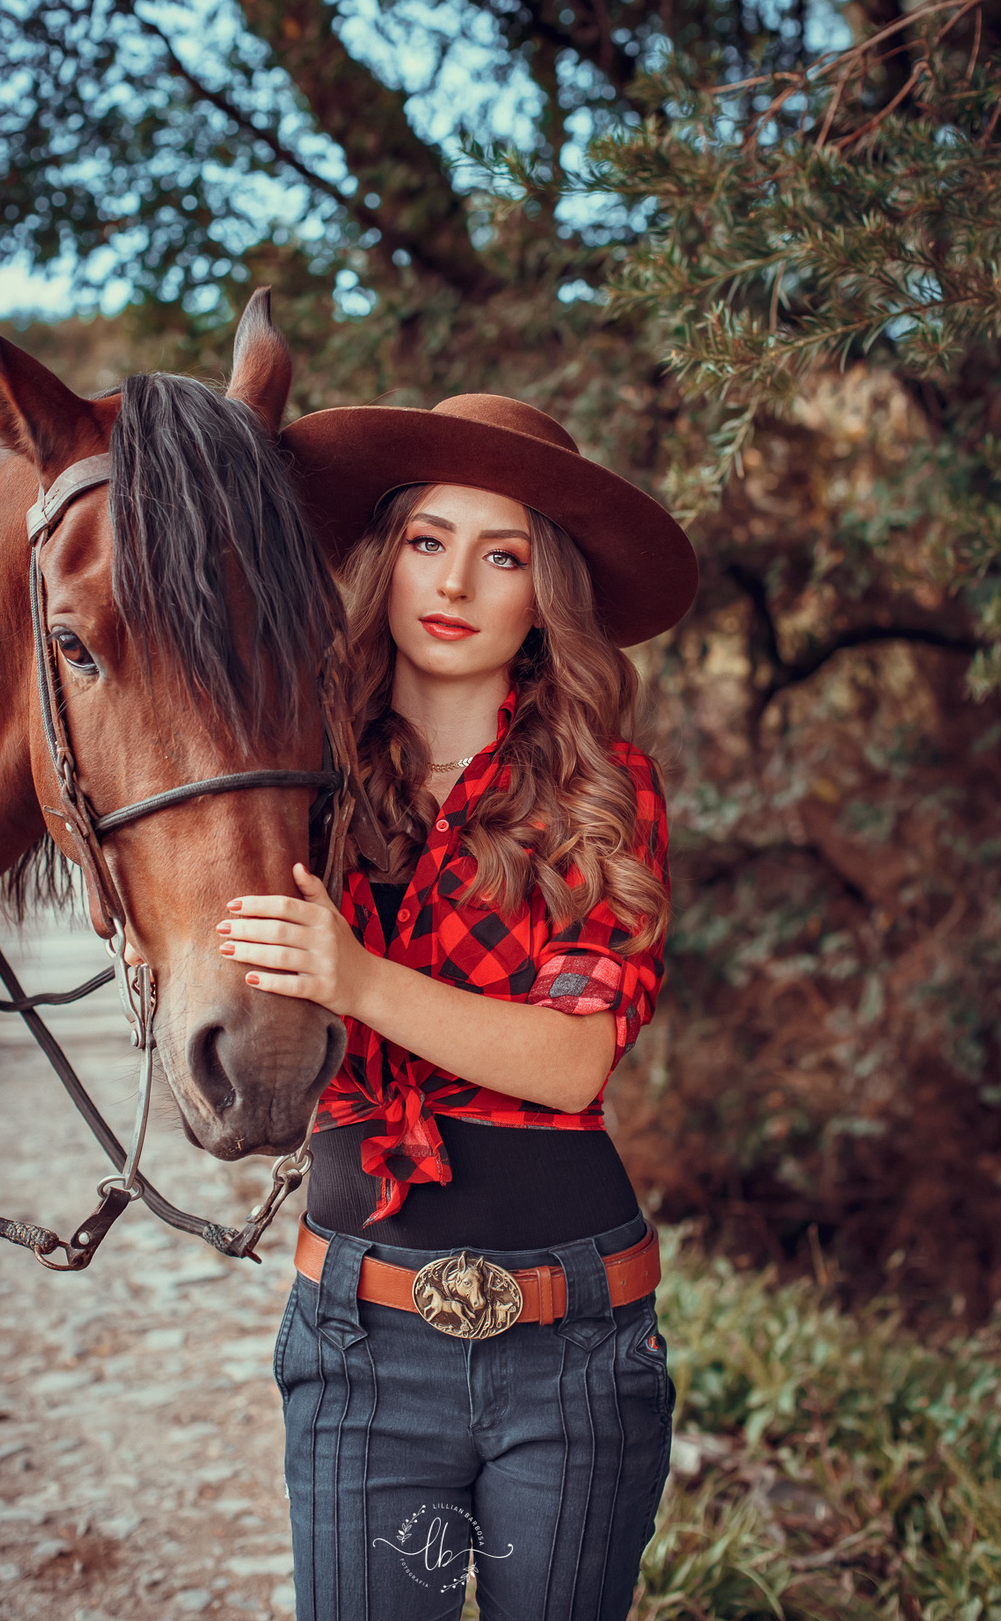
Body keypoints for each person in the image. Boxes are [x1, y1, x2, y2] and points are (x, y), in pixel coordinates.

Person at [214, 393, 698, 1621]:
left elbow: (573, 1062)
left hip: (574, 1344)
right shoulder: (298, 782)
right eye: (428, 540)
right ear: (384, 558)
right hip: (360, 1339)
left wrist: (358, 978)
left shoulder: (602, 792)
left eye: (505, 555)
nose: (455, 583)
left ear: (548, 597)